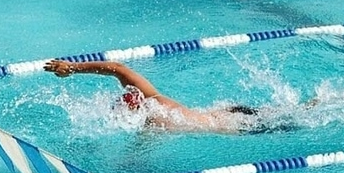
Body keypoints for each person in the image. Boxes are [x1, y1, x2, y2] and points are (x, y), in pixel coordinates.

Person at [43, 59, 261, 134]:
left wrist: (73, 67)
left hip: (235, 125)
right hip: (222, 115)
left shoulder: (153, 103)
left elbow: (118, 68)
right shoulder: (151, 117)